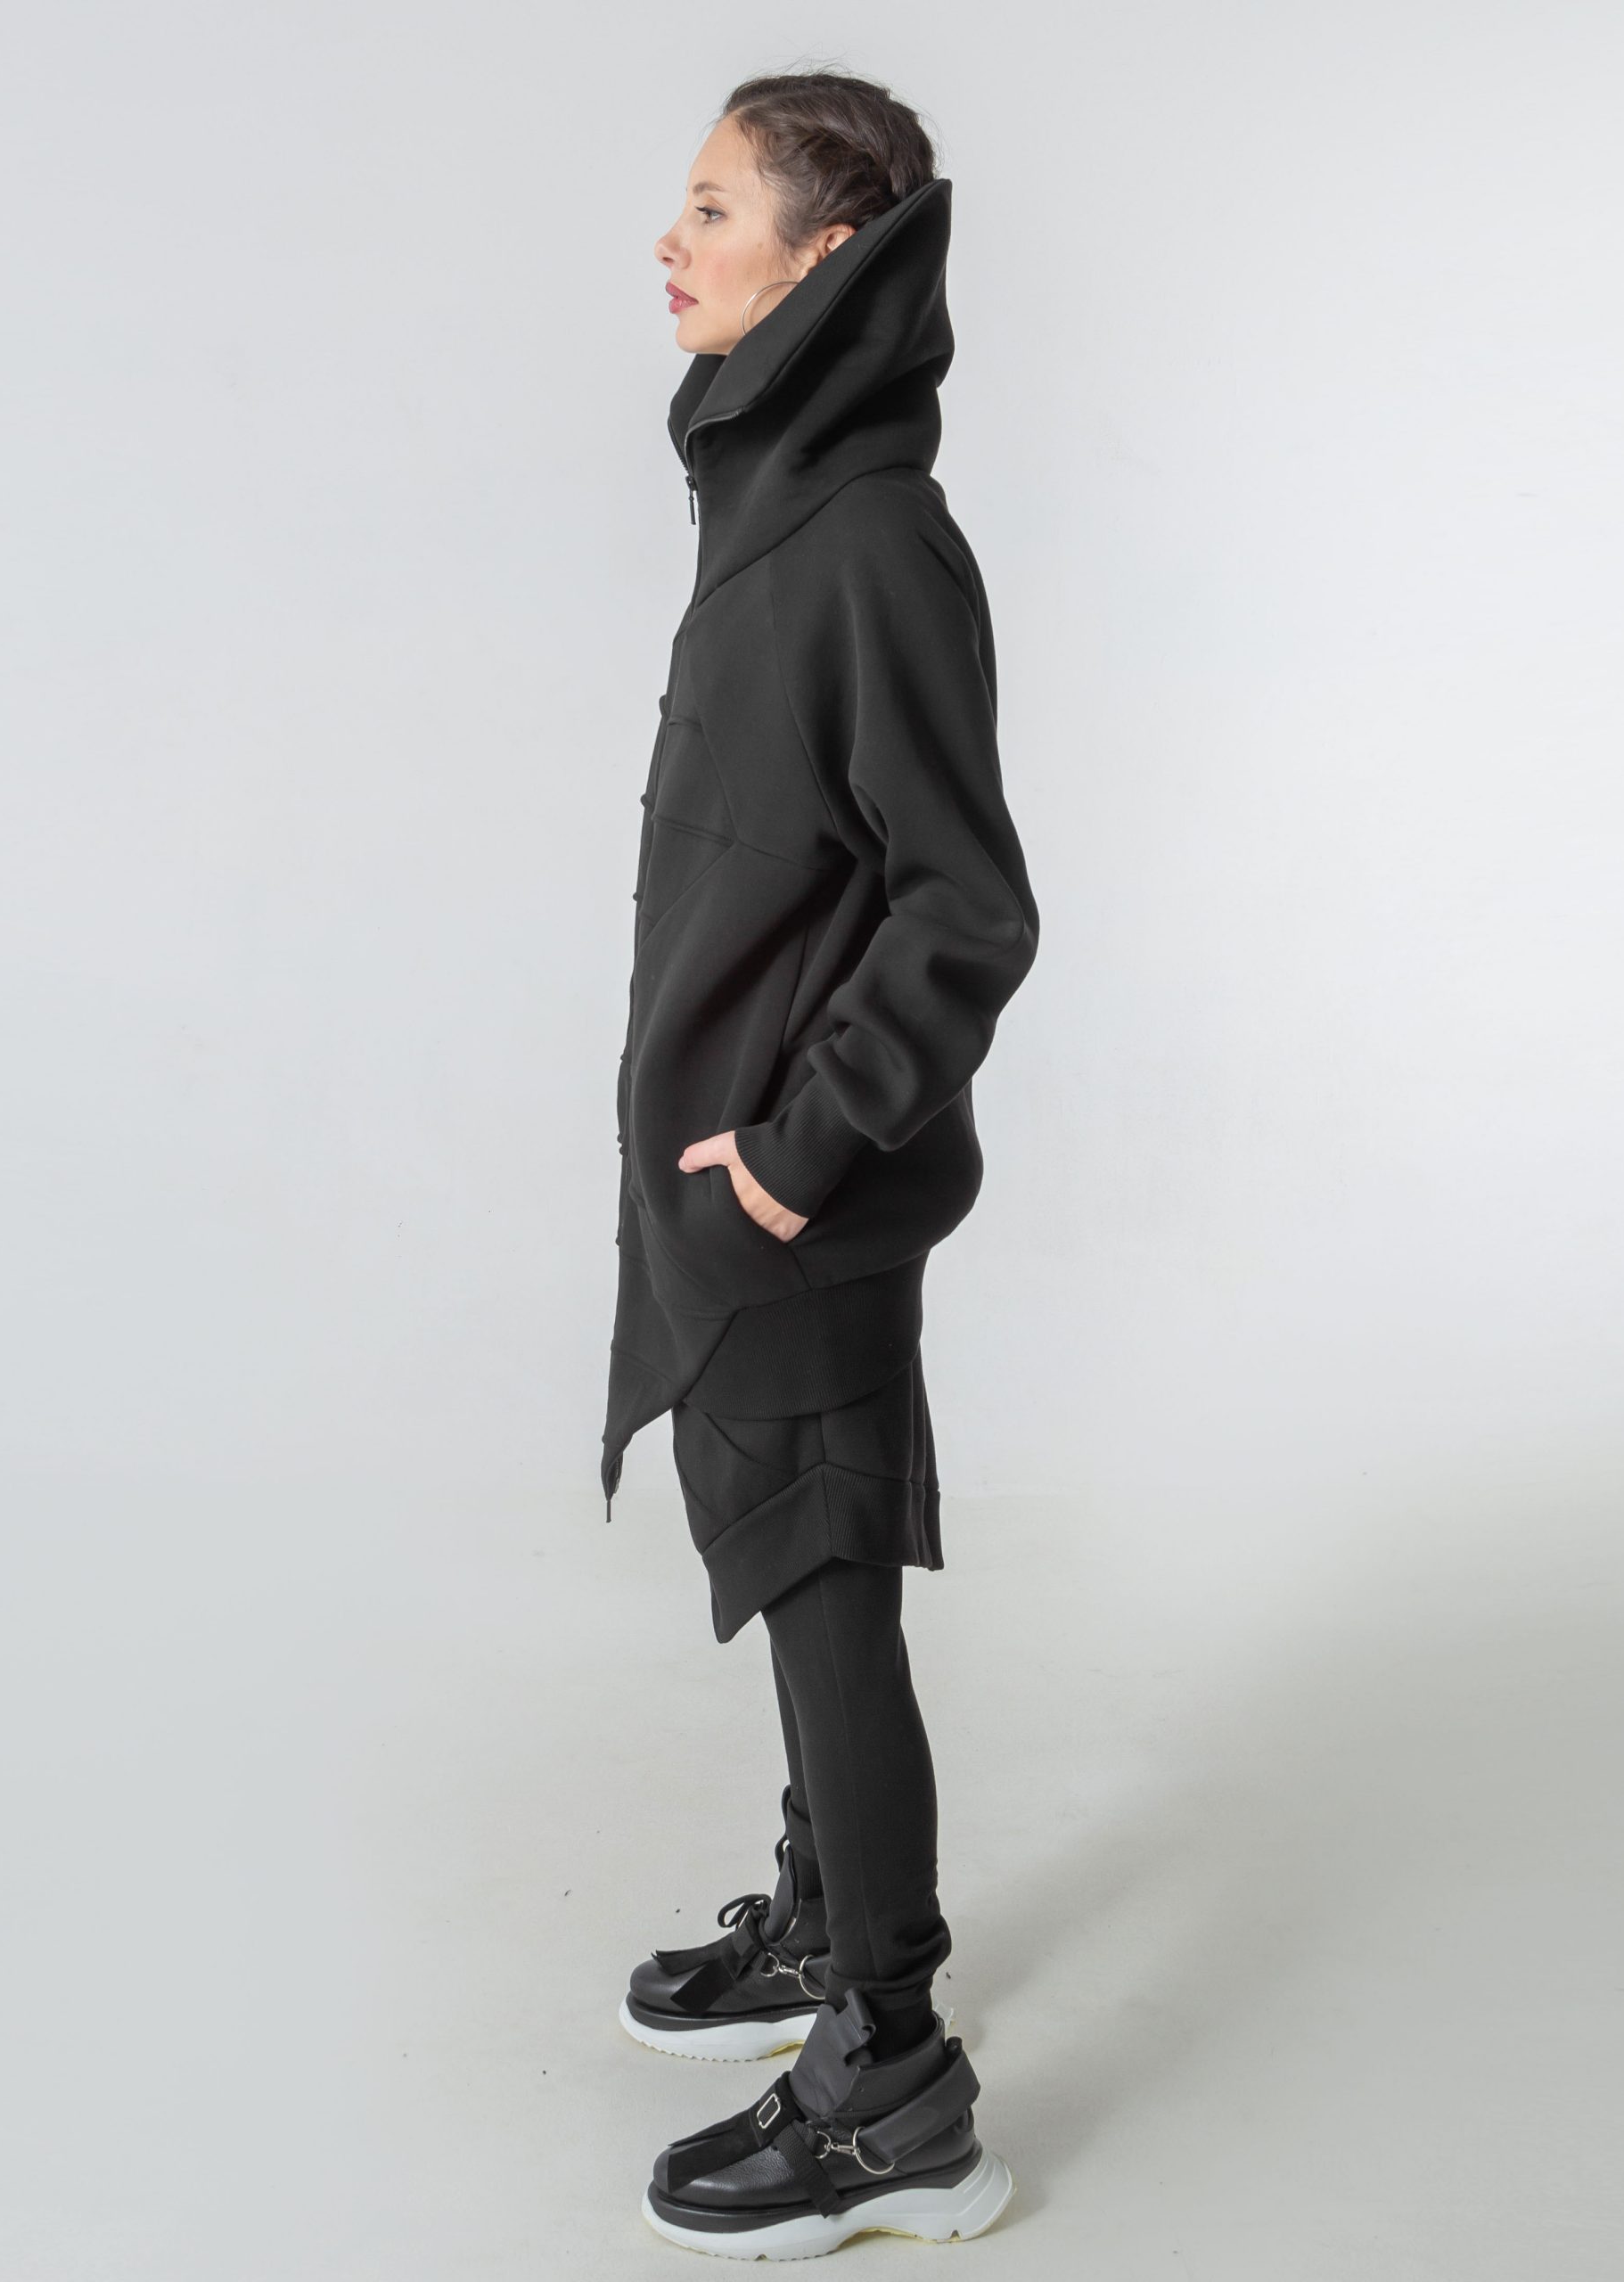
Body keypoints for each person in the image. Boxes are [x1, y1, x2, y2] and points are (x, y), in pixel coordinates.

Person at [603, 72, 1039, 2260]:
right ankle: (815, 1911)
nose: (667, 243)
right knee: (796, 1562)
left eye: (710, 208)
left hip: (794, 1183)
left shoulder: (868, 534)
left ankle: (892, 2078)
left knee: (827, 1582)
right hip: (735, 1169)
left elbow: (964, 902)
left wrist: (790, 1153)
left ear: (823, 257)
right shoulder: (772, 490)